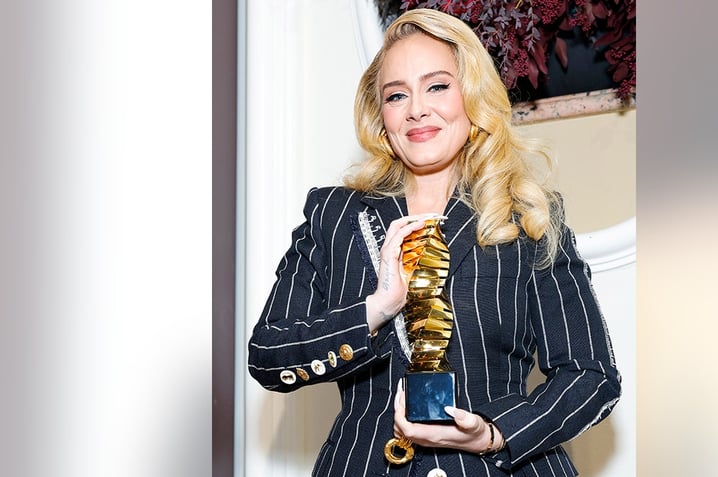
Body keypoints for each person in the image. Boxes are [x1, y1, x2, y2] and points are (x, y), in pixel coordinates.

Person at [248, 8, 621, 477]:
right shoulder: (335, 215)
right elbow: (267, 354)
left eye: (437, 86)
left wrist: (494, 434)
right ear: (380, 115)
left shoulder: (529, 217)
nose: (417, 109)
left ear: (472, 95)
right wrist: (375, 310)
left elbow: (591, 376)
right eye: (396, 95)